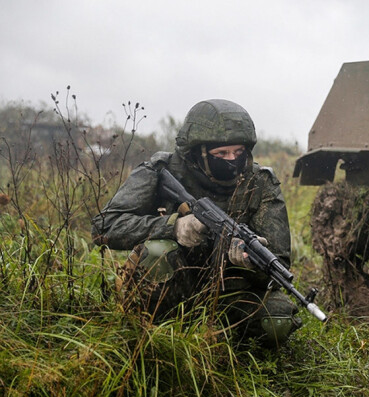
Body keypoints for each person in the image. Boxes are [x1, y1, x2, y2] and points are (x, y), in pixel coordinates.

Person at [91, 99, 301, 345]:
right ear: (197, 151)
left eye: (238, 152)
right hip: (172, 283)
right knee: (158, 252)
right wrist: (174, 227)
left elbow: (278, 265)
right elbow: (104, 227)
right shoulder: (161, 170)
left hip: (231, 291)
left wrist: (249, 265)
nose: (232, 159)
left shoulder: (260, 182)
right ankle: (150, 338)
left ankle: (218, 347)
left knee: (277, 321)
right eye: (221, 154)